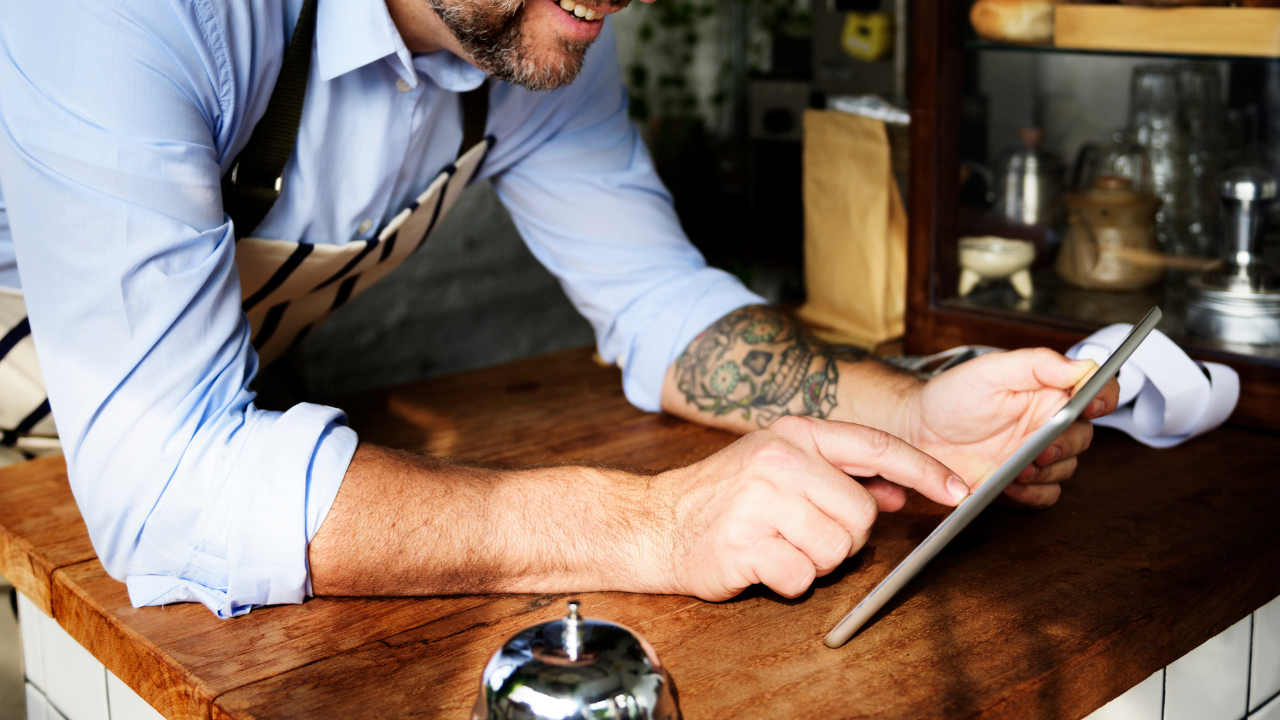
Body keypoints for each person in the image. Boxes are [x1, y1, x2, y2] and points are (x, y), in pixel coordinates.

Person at [0, 0, 1119, 618]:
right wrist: (655, 524)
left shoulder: (543, 35)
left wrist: (906, 416)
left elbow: (654, 297)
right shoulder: (135, 13)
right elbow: (163, 484)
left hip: (195, 398)